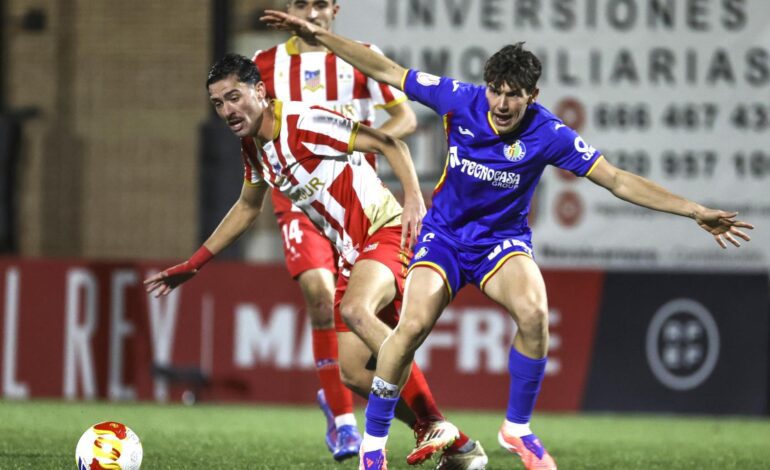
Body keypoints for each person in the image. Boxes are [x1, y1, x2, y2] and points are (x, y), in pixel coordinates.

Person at [260, 11, 755, 470]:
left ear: (532, 96)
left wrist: (694, 210)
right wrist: (319, 36)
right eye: (496, 90)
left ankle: (517, 429)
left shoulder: (549, 133)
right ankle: (373, 447)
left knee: (535, 313)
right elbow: (389, 71)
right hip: (445, 239)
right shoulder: (461, 98)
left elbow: (618, 179)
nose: (501, 103)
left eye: (513, 95)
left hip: (501, 243)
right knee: (408, 329)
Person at [143, 53, 488, 470]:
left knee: (355, 310)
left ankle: (432, 421)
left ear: (259, 90)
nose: (228, 110)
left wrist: (415, 198)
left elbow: (389, 142)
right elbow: (247, 207)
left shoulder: (305, 122)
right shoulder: (252, 146)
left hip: (387, 230)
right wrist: (195, 263)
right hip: (350, 253)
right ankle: (461, 447)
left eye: (234, 97)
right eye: (218, 103)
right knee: (354, 373)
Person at [251, 0, 417, 461]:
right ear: (289, 7)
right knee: (321, 297)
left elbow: (405, 118)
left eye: (320, 3)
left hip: (357, 200)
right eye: (302, 2)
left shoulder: (359, 55)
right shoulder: (264, 66)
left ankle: (423, 418)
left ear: (335, 9)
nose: (311, 11)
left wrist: (364, 136)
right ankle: (344, 421)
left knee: (361, 313)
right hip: (299, 199)